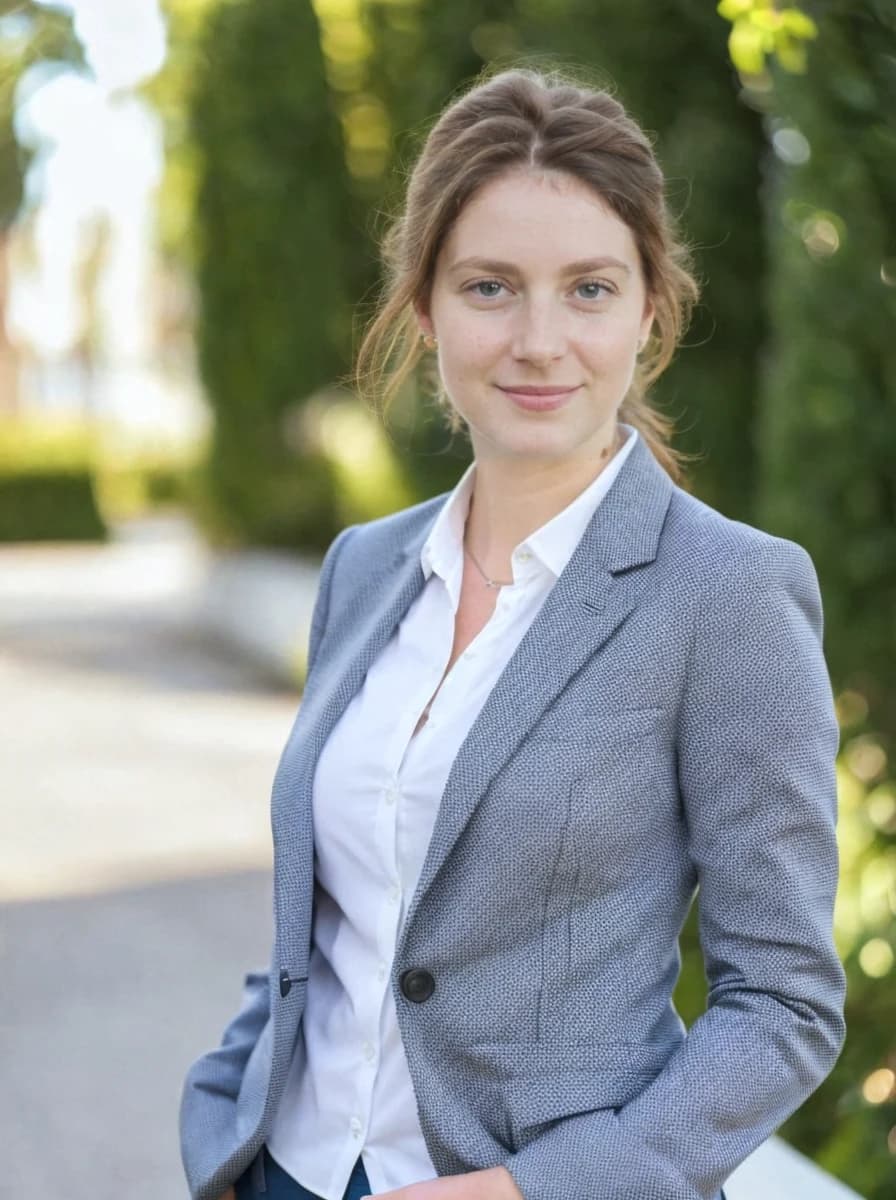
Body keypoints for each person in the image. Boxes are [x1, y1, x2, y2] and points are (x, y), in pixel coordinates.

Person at [179, 66, 846, 1200]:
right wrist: (222, 1114)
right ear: (424, 306)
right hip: (283, 1170)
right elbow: (340, 915)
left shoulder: (726, 594)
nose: (538, 341)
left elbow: (781, 1004)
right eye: (490, 287)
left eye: (587, 289)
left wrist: (540, 1189)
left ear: (649, 309)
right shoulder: (365, 568)